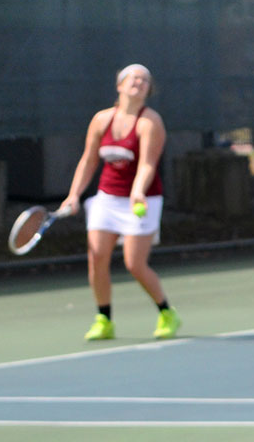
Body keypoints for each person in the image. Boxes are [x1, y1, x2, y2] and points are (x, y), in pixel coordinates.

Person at [58, 63, 180, 342]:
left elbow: (148, 164)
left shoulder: (150, 122)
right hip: (107, 199)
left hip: (143, 199)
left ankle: (166, 312)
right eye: (134, 78)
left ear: (148, 90)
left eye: (145, 80)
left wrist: (138, 191)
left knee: (134, 264)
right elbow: (89, 160)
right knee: (97, 257)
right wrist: (74, 194)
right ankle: (104, 319)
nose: (139, 82)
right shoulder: (101, 120)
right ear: (120, 85)